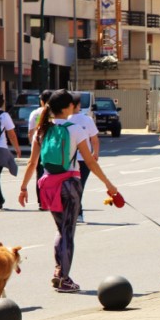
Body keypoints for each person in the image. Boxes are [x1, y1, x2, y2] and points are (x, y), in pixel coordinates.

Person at [18, 89, 120, 292]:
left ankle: (59, 272)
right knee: (68, 232)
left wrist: (23, 188)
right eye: (72, 104)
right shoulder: (75, 129)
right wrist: (108, 184)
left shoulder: (42, 130)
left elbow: (32, 163)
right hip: (69, 184)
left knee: (61, 230)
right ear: (67, 107)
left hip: (47, 184)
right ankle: (63, 277)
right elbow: (89, 161)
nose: (75, 106)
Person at [67, 92, 99, 224]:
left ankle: (76, 213)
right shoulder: (87, 120)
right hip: (84, 159)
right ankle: (77, 213)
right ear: (77, 105)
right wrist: (95, 153)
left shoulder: (66, 120)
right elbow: (95, 139)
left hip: (68, 159)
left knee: (71, 187)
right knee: (79, 187)